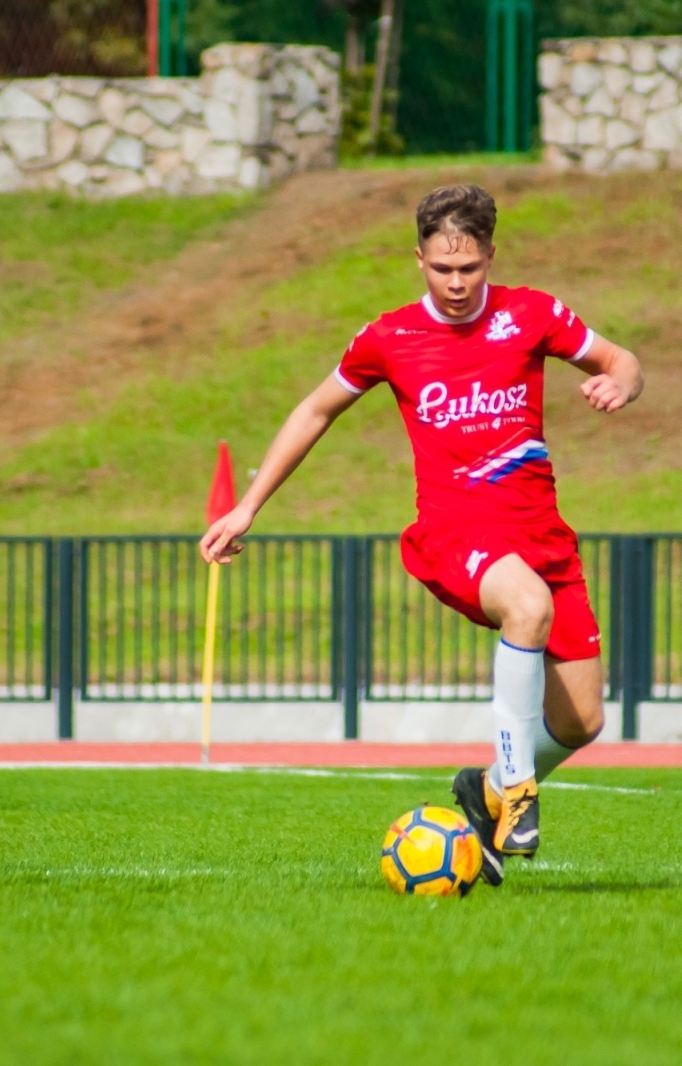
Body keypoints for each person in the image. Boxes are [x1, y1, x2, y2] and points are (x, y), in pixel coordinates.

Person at [200, 184, 643, 884]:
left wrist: (623, 383)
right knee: (526, 608)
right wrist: (249, 505)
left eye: (470, 267)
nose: (458, 282)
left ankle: (488, 786)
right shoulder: (391, 337)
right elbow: (315, 411)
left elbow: (622, 359)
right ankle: (518, 792)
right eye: (443, 268)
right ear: (419, 259)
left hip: (542, 533)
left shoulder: (532, 314)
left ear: (491, 255)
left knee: (584, 720)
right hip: (455, 528)